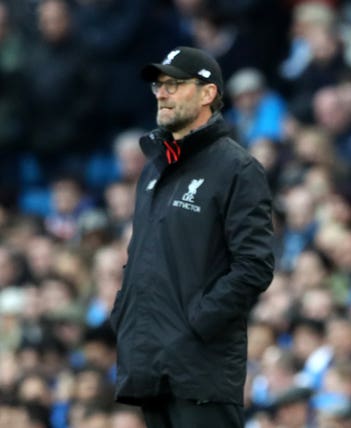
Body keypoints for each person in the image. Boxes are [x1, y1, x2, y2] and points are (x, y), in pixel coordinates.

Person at [109, 46, 275, 428]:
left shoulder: (237, 168)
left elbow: (255, 266)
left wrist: (194, 325)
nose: (162, 93)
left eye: (175, 84)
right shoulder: (153, 171)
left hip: (201, 368)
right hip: (150, 364)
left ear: (208, 94)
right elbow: (142, 258)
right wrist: (126, 314)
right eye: (159, 85)